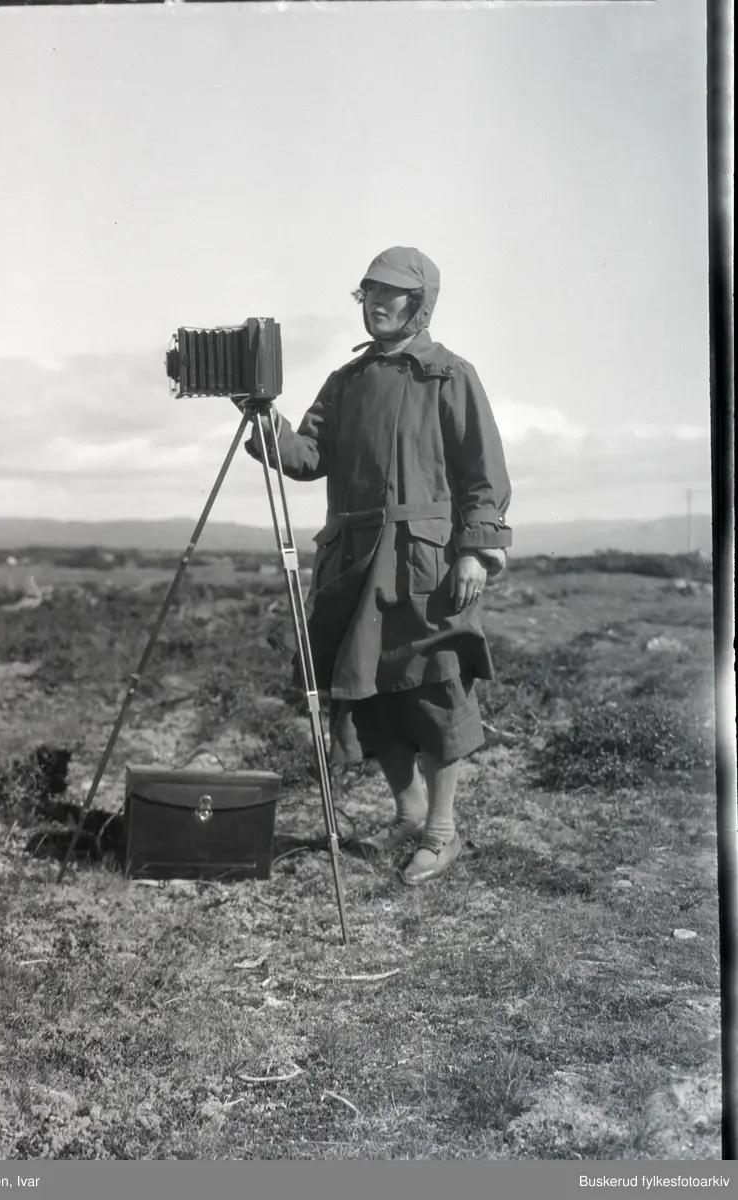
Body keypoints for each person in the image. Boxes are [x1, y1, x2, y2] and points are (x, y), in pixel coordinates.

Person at [248, 246, 512, 886]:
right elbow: (309, 456)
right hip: (355, 559)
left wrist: (478, 550)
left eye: (391, 294)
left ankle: (443, 833)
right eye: (368, 292)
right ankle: (410, 811)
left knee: (435, 688)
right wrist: (259, 416)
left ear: (419, 304)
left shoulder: (450, 376)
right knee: (363, 689)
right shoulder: (345, 382)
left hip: (427, 561)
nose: (376, 304)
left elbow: (482, 471)